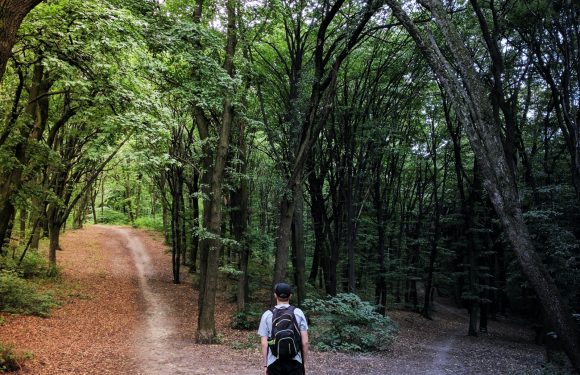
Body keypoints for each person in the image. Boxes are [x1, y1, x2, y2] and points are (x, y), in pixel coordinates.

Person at [258, 282, 309, 375]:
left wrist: (265, 365)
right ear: (290, 296)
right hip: (295, 361)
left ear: (275, 295)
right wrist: (304, 363)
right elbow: (305, 342)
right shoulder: (298, 313)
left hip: (273, 362)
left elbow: (264, 343)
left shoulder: (267, 315)